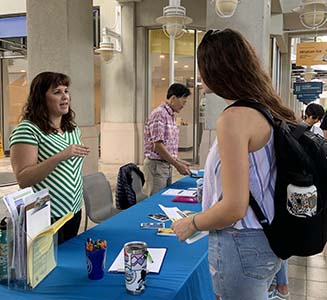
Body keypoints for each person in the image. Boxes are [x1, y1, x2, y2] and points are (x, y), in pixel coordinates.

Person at [172, 28, 297, 300]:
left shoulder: (233, 119)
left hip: (241, 245)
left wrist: (192, 223)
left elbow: (234, 207)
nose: (200, 74)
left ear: (216, 68)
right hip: (267, 240)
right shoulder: (266, 109)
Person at [9, 71, 90, 244]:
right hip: (46, 215)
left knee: (67, 260)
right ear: (41, 98)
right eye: (57, 92)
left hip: (73, 210)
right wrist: (61, 156)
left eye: (66, 91)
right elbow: (24, 178)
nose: (65, 97)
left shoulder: (72, 129)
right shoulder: (27, 130)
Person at [143, 83, 191, 196]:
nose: (183, 105)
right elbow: (158, 146)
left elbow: (166, 145)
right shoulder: (159, 114)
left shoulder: (170, 116)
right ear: (173, 98)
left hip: (165, 165)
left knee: (164, 198)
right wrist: (177, 165)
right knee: (155, 202)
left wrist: (178, 160)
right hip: (156, 167)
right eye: (183, 101)